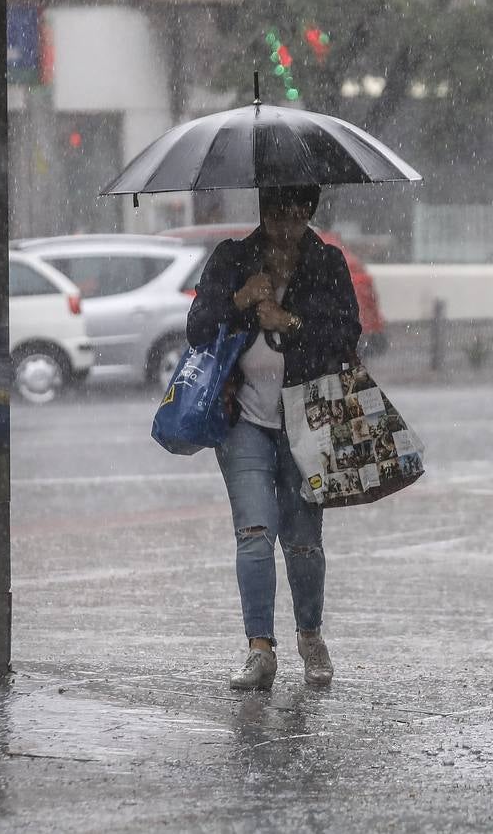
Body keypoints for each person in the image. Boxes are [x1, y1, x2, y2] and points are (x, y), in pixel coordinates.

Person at [186, 184, 362, 689]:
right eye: (273, 212)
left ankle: (310, 635)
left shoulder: (326, 263)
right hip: (244, 419)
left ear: (309, 212)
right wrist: (241, 300)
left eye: (293, 213)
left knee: (303, 542)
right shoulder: (233, 258)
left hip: (308, 419)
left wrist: (291, 320)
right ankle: (260, 649)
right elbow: (198, 328)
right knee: (255, 535)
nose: (282, 224)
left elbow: (346, 333)